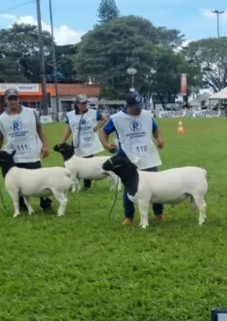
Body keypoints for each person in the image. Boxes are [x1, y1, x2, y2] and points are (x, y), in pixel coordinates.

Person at [99, 91, 166, 225]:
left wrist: (159, 139)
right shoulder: (117, 118)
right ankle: (128, 216)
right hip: (127, 157)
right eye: (136, 107)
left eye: (140, 106)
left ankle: (158, 213)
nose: (139, 109)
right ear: (128, 105)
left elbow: (156, 129)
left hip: (148, 155)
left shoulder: (147, 115)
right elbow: (104, 133)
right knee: (130, 187)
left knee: (156, 185)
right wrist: (106, 145)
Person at [0, 88, 52, 213]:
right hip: (12, 156)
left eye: (15, 98)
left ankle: (46, 204)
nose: (13, 101)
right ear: (6, 100)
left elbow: (40, 129)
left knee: (39, 180)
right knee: (15, 182)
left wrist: (44, 146)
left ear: (19, 99)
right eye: (10, 98)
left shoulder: (31, 112)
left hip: (31, 153)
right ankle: (22, 205)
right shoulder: (1, 119)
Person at [60, 95, 108, 190]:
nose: (84, 105)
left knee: (87, 164)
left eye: (86, 103)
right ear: (77, 104)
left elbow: (104, 118)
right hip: (77, 143)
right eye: (82, 103)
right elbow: (69, 128)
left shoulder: (93, 113)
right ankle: (74, 184)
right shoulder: (70, 115)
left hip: (89, 143)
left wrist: (97, 126)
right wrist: (63, 141)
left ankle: (87, 186)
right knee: (74, 163)